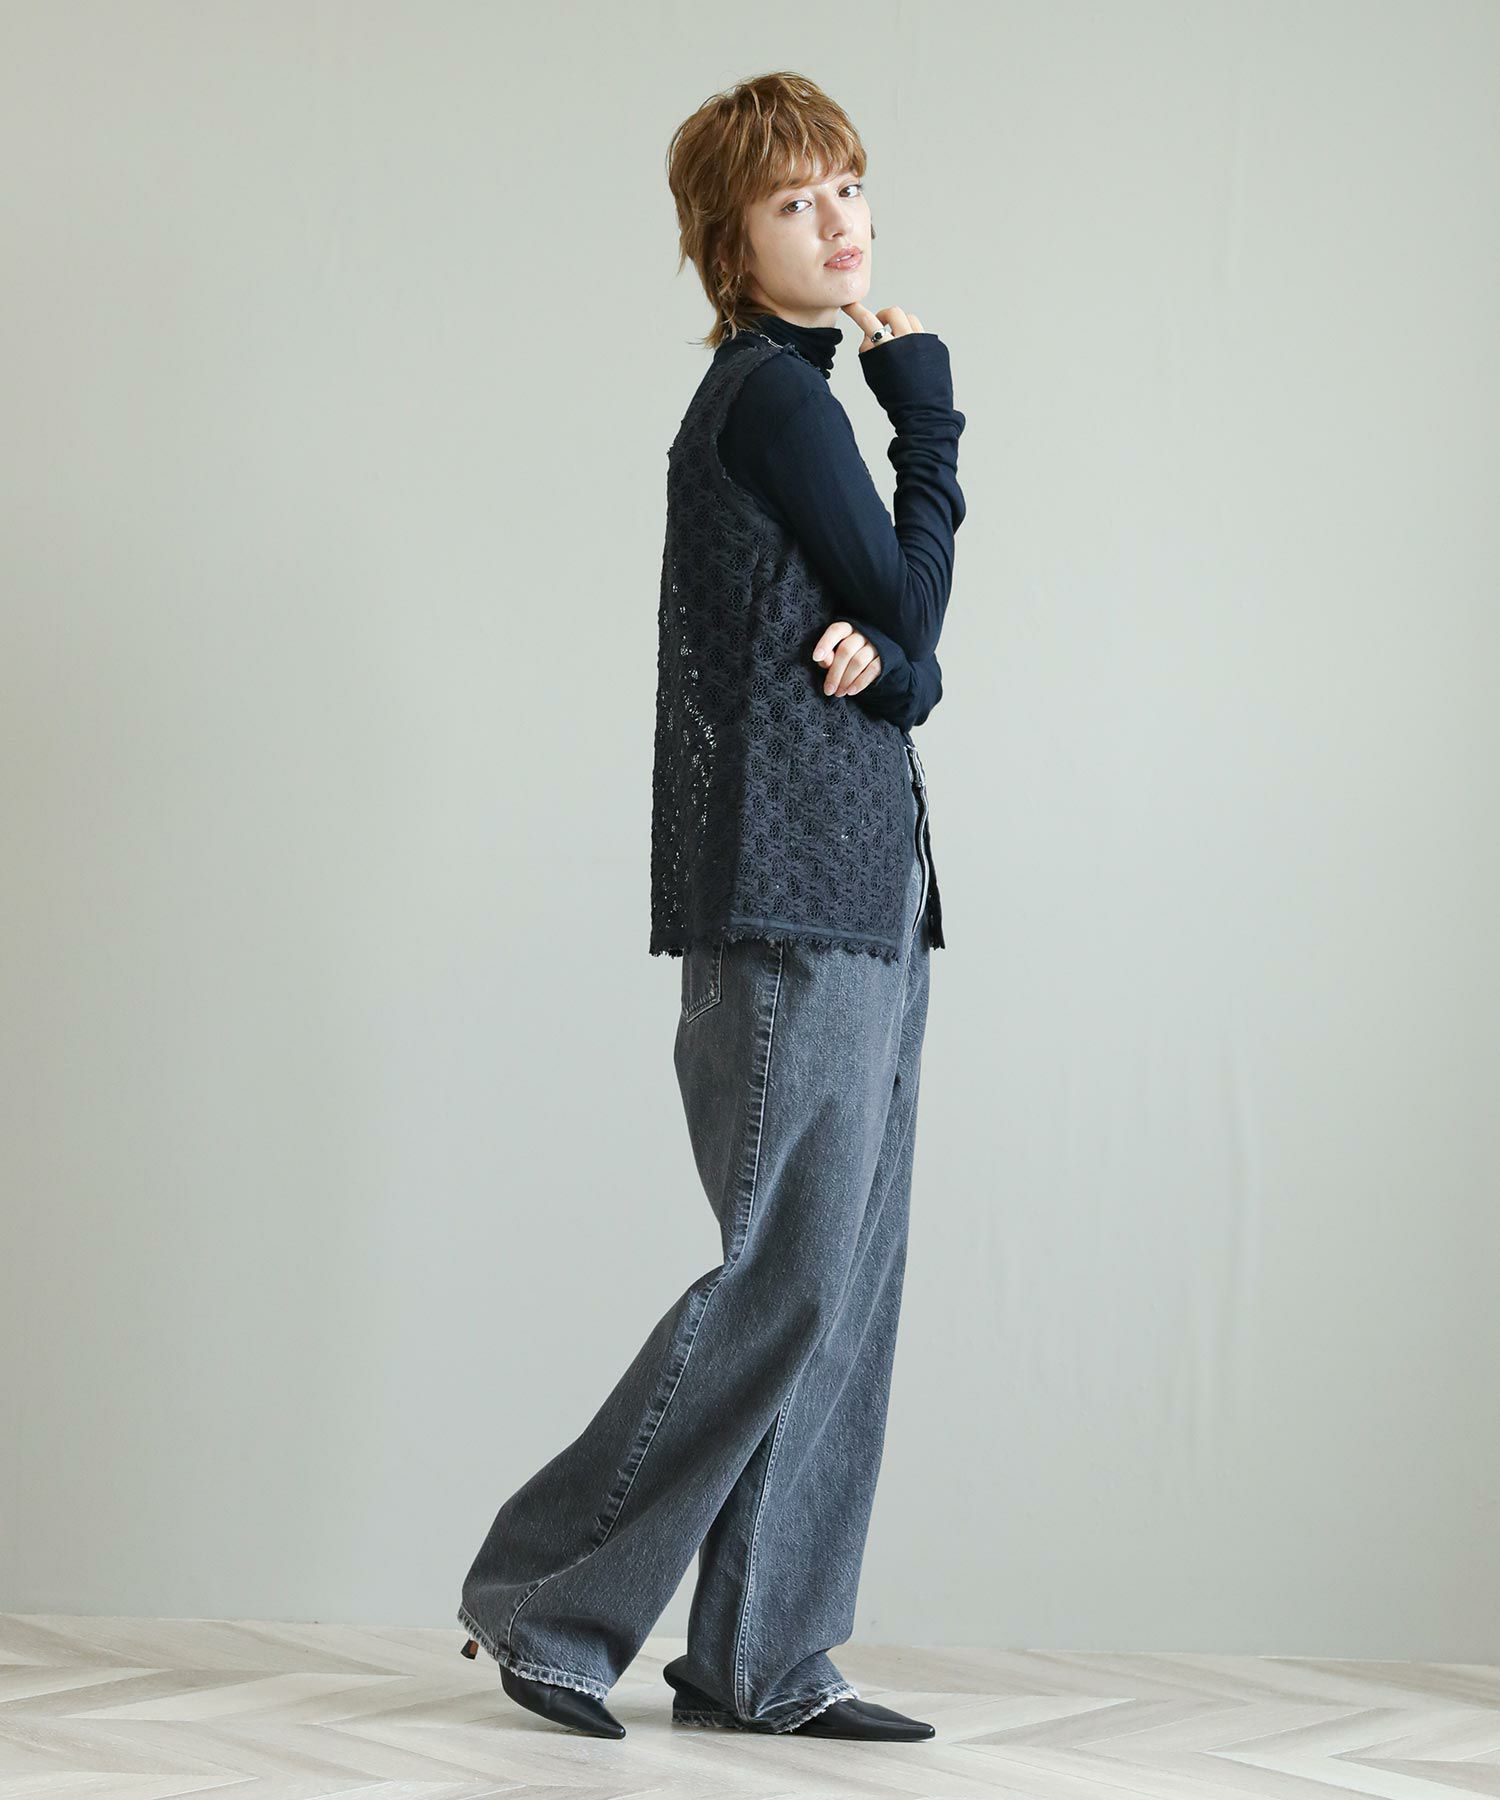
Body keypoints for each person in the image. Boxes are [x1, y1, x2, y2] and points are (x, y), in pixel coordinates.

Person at [456, 70, 966, 1744]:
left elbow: (899, 656)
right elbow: (905, 601)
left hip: (865, 888)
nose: (839, 221)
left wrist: (904, 668)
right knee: (785, 1279)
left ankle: (764, 1658)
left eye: (848, 185)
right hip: (792, 894)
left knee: (843, 1288)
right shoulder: (778, 401)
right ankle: (548, 1602)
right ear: (730, 248)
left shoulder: (796, 401)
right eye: (794, 201)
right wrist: (932, 421)